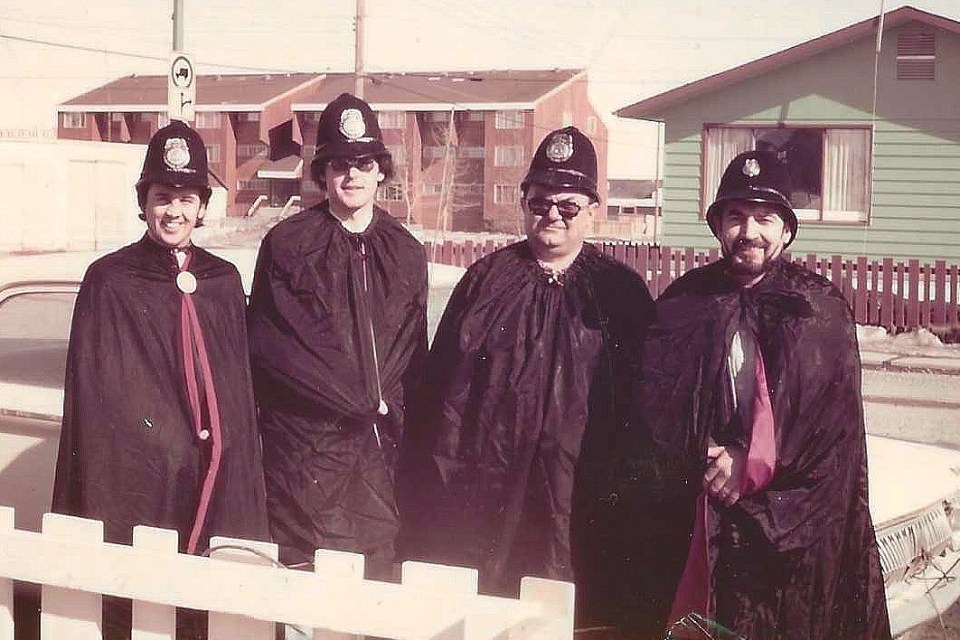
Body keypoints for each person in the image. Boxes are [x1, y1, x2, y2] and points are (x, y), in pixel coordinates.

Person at [397, 126, 655, 627]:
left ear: (593, 209)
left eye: (568, 205)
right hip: (489, 493)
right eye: (540, 202)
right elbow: (441, 397)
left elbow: (646, 408)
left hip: (579, 498)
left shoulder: (620, 295)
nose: (552, 215)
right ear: (524, 204)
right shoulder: (486, 281)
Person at [632, 149, 890, 639]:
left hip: (791, 526)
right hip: (705, 514)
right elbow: (655, 409)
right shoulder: (686, 301)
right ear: (717, 227)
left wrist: (748, 460)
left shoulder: (817, 308)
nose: (749, 232)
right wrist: (702, 457)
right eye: (736, 217)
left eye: (764, 218)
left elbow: (829, 434)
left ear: (786, 230)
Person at [52, 120, 270, 638]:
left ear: (202, 206)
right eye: (163, 196)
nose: (174, 211)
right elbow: (100, 400)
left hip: (210, 478)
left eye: (187, 198)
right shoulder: (110, 280)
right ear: (144, 202)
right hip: (143, 483)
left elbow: (235, 392)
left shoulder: (222, 280)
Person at [246, 93, 428, 579]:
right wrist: (350, 399)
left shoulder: (406, 252)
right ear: (323, 173)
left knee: (374, 584)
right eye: (339, 164)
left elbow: (415, 353)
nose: (352, 175)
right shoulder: (288, 246)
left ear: (379, 171)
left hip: (380, 453)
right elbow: (274, 351)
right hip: (307, 454)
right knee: (308, 587)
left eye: (363, 163)